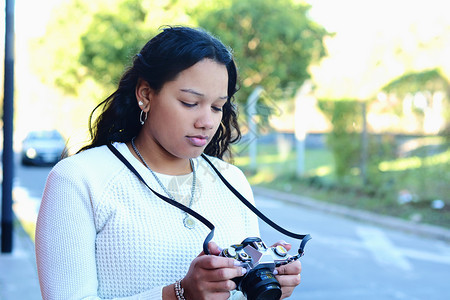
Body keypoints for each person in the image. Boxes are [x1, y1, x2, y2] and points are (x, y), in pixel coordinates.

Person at [35, 26, 302, 300]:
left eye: (217, 107)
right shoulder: (78, 179)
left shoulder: (232, 179)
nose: (206, 122)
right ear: (146, 95)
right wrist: (179, 294)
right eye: (189, 102)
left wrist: (268, 284)